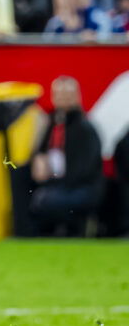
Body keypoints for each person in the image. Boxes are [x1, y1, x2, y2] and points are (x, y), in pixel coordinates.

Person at [28, 77, 104, 236]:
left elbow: (87, 169)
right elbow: (40, 152)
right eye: (59, 94)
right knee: (32, 193)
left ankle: (71, 231)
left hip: (80, 187)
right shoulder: (52, 122)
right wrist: (38, 161)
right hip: (55, 184)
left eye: (68, 95)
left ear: (77, 97)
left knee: (47, 200)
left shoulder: (85, 128)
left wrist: (58, 182)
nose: (63, 99)